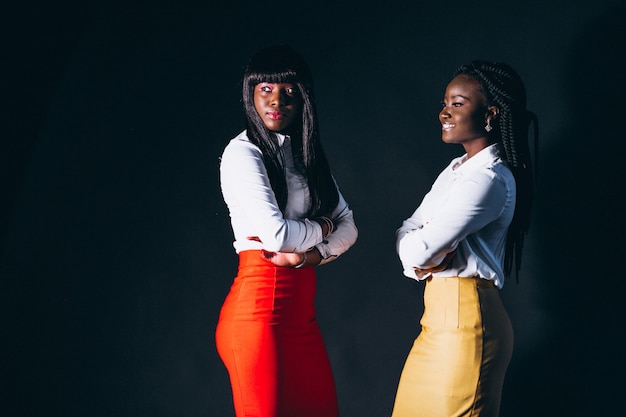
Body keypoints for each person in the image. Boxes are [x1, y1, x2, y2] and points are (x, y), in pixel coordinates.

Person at [215, 44, 358, 417]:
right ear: (250, 93)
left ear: (303, 99)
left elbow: (351, 227)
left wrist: (312, 255)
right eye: (265, 89)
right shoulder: (243, 153)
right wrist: (325, 225)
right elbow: (278, 237)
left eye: (289, 92)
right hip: (259, 316)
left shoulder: (305, 155)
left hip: (301, 319)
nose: (276, 100)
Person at [391, 60, 536, 417]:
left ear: (489, 113)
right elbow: (406, 233)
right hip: (437, 323)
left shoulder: (487, 179)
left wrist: (421, 250)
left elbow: (418, 246)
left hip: (467, 326)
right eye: (445, 103)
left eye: (458, 103)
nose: (445, 112)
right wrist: (420, 252)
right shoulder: (456, 171)